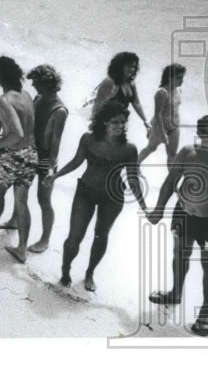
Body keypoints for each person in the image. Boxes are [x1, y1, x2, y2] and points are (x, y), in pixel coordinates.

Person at [147, 115, 208, 337]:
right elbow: (170, 183)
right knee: (180, 254)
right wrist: (158, 208)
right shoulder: (188, 153)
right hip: (184, 214)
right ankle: (175, 293)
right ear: (202, 137)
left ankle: (205, 312)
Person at [49, 101, 147, 290]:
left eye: (123, 123)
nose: (120, 126)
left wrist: (144, 207)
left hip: (113, 196)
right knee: (74, 237)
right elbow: (77, 161)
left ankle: (90, 273)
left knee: (101, 236)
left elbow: (133, 180)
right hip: (86, 191)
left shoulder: (129, 149)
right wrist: (56, 176)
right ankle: (65, 269)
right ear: (104, 122)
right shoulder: (88, 139)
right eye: (115, 122)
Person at [0, 56, 38, 263]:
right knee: (22, 202)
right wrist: (0, 120)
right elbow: (24, 125)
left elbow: (16, 133)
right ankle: (22, 249)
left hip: (11, 155)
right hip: (30, 153)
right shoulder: (27, 95)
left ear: (0, 76)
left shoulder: (3, 100)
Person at [13, 64, 69, 253]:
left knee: (43, 199)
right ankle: (14, 219)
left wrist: (52, 170)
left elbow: (56, 141)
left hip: (46, 159)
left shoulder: (59, 110)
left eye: (37, 83)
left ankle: (45, 239)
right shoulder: (38, 98)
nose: (34, 86)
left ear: (47, 84)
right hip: (30, 151)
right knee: (20, 189)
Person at [138, 63, 186, 169]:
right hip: (160, 127)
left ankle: (171, 181)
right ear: (169, 77)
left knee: (172, 154)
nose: (182, 80)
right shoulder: (162, 93)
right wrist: (163, 133)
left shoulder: (179, 90)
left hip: (174, 127)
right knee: (151, 148)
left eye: (182, 77)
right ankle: (135, 166)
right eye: (178, 78)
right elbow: (158, 114)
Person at [91, 52, 149, 133]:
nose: (132, 69)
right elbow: (99, 104)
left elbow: (136, 103)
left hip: (121, 123)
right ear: (120, 66)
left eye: (134, 67)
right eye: (129, 66)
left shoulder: (131, 83)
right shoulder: (109, 82)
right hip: (107, 124)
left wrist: (145, 121)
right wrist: (95, 124)